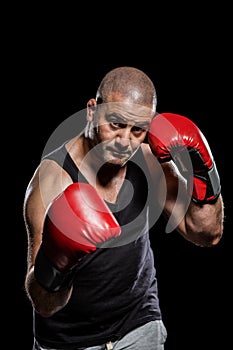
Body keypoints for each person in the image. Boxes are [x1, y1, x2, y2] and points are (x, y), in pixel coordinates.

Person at [23, 66, 224, 350]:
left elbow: (206, 232)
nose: (124, 142)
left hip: (139, 326)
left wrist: (204, 175)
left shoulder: (148, 161)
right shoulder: (52, 181)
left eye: (137, 130)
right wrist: (57, 259)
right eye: (116, 124)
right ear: (92, 111)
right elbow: (43, 304)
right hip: (71, 341)